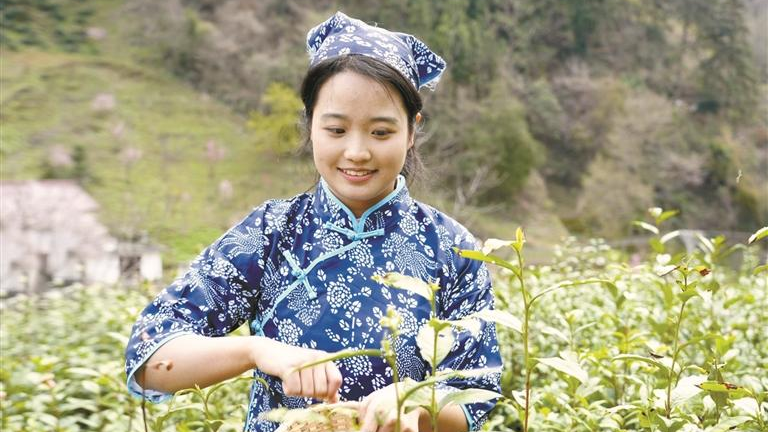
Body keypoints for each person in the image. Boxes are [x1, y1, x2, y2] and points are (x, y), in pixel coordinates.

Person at [124, 11, 502, 432]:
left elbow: (476, 395)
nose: (357, 152)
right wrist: (257, 351)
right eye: (337, 130)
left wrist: (416, 404)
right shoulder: (271, 234)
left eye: (380, 132)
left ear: (412, 131)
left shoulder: (452, 249)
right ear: (311, 124)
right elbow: (150, 358)